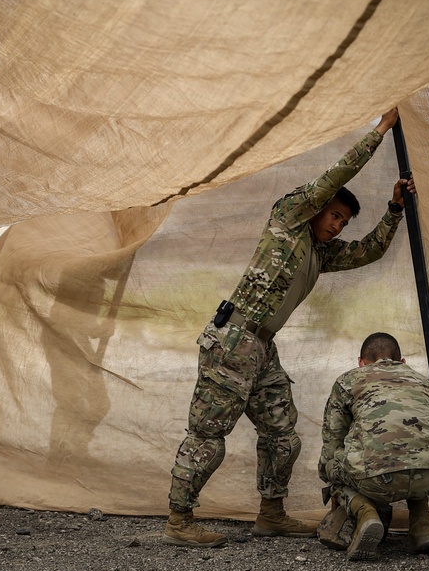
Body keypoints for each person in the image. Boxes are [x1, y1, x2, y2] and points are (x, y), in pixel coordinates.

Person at [164, 108, 412, 547]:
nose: (337, 225)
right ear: (316, 209)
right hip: (233, 339)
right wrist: (380, 130)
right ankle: (179, 521)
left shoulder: (321, 252)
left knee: (283, 435)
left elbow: (370, 251)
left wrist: (394, 207)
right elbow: (335, 176)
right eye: (334, 215)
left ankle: (271, 514)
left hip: (262, 348)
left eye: (343, 221)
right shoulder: (290, 220)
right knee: (208, 436)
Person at [318, 332, 429, 561]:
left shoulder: (348, 380)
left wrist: (331, 479)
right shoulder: (427, 383)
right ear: (402, 362)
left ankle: (366, 515)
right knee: (416, 451)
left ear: (361, 363)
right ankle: (421, 526)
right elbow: (427, 435)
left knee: (332, 464)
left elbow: (333, 439)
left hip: (375, 479)